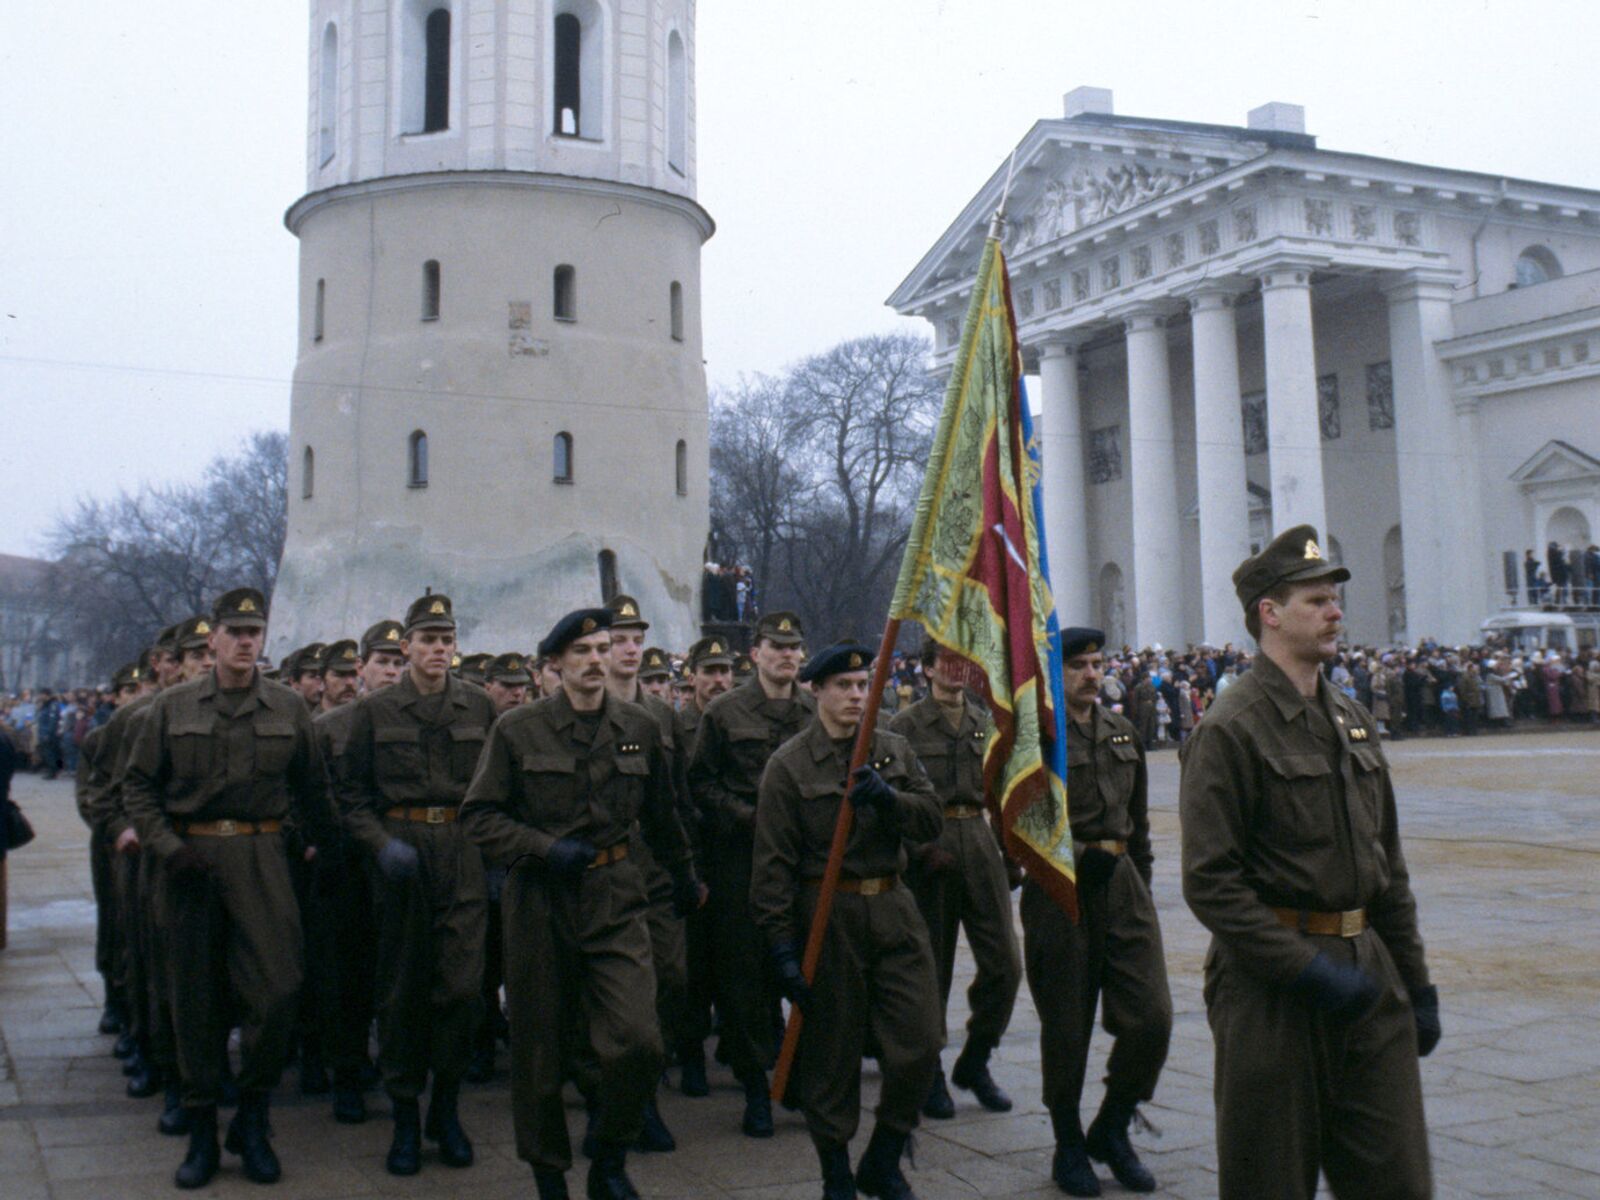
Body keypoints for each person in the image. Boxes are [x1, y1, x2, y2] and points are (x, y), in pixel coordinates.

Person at [1180, 526, 1437, 1200]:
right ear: (1270, 611)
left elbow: (1389, 868)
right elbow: (1211, 883)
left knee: (1398, 1181)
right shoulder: (1230, 727)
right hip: (1272, 991)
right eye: (1317, 600)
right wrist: (1306, 972)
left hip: (1368, 980)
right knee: (1269, 1181)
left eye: (1335, 600)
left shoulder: (1352, 719)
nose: (1335, 613)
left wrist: (1417, 982)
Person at [461, 607, 700, 1200]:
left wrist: (684, 877)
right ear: (554, 666)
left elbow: (664, 816)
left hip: (617, 895)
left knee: (640, 1039)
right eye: (583, 652)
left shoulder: (640, 726)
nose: (597, 659)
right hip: (540, 901)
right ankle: (549, 1175)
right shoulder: (518, 731)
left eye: (604, 648)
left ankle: (610, 1153)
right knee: (539, 1051)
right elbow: (479, 818)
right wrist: (541, 847)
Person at [122, 591, 342, 1189]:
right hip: (189, 864)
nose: (246, 641)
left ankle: (253, 1118)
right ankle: (200, 1136)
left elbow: (313, 792)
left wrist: (321, 851)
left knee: (277, 992)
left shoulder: (289, 707)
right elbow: (137, 788)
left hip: (262, 859)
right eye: (235, 631)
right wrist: (169, 849)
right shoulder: (169, 708)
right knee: (193, 1002)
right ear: (212, 639)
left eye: (255, 631)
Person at [750, 641, 944, 1200]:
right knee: (831, 1056)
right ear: (817, 690)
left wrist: (890, 801)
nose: (857, 696)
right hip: (827, 917)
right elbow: (772, 868)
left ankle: (884, 1157)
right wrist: (781, 947)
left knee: (919, 1045)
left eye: (864, 686)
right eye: (845, 686)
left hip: (893, 908)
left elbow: (930, 818)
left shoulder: (894, 750)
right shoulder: (788, 766)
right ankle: (835, 1169)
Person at [338, 594, 497, 1177]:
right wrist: (380, 845)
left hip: (462, 855)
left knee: (461, 990)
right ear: (405, 647)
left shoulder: (478, 706)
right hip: (401, 858)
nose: (437, 649)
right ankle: (405, 1116)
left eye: (446, 639)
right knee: (402, 993)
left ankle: (446, 1111)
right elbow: (350, 797)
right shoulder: (375, 711)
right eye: (427, 639)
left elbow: (498, 786)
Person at [1027, 628, 1170, 1196]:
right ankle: (1067, 1143)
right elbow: (1023, 822)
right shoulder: (1036, 738)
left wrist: (1141, 882)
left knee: (1152, 1018)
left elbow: (1139, 823)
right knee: (1066, 1025)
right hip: (1061, 889)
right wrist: (1082, 857)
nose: (1091, 673)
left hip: (1123, 887)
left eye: (1096, 663)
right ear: (1054, 673)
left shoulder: (1122, 732)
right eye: (1078, 665)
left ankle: (1112, 1124)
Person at [688, 610, 815, 1138]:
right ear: (755, 654)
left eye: (794, 647)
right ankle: (755, 1084)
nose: (786, 655)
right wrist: (746, 816)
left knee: (806, 966)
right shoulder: (724, 711)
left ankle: (802, 1074)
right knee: (743, 975)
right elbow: (700, 783)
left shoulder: (815, 710)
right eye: (775, 646)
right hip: (741, 858)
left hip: (802, 859)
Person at [889, 642, 1020, 1121]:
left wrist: (1009, 854)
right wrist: (918, 852)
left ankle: (977, 1058)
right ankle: (931, 1070)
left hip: (979, 839)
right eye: (945, 661)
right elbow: (894, 802)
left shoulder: (984, 720)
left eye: (963, 661)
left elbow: (1002, 788)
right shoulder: (903, 727)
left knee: (1005, 963)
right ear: (926, 669)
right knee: (932, 968)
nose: (956, 670)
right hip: (932, 845)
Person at [602, 594, 702, 1152]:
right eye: (619, 640)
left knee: (671, 979)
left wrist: (690, 870)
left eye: (637, 640)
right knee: (608, 996)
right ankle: (624, 1100)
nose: (629, 649)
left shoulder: (662, 716)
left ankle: (646, 1081)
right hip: (603, 874)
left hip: (657, 873)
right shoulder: (583, 708)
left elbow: (678, 800)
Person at [312, 618, 404, 1124]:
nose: (390, 671)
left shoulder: (411, 722)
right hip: (347, 869)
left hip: (399, 865)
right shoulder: (329, 728)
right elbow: (311, 796)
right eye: (382, 663)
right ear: (361, 668)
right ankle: (347, 1074)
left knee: (397, 975)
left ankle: (396, 1070)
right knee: (347, 978)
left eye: (397, 662)